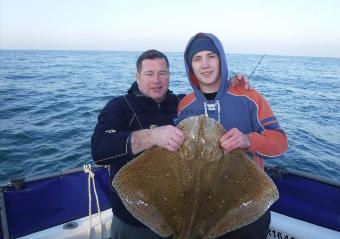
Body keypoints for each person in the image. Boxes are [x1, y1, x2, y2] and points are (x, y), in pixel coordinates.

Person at [91, 49, 252, 239]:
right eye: (149, 74)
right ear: (138, 76)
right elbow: (100, 150)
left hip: (189, 217)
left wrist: (230, 86)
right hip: (136, 220)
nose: (156, 80)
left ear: (169, 75)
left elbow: (214, 101)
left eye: (162, 73)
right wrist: (151, 137)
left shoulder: (182, 103)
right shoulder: (119, 106)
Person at [177, 33, 288, 239]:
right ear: (190, 66)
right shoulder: (184, 105)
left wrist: (249, 140)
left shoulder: (249, 96)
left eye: (211, 56)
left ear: (221, 59)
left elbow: (280, 143)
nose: (205, 64)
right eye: (197, 58)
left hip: (248, 206)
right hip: (202, 211)